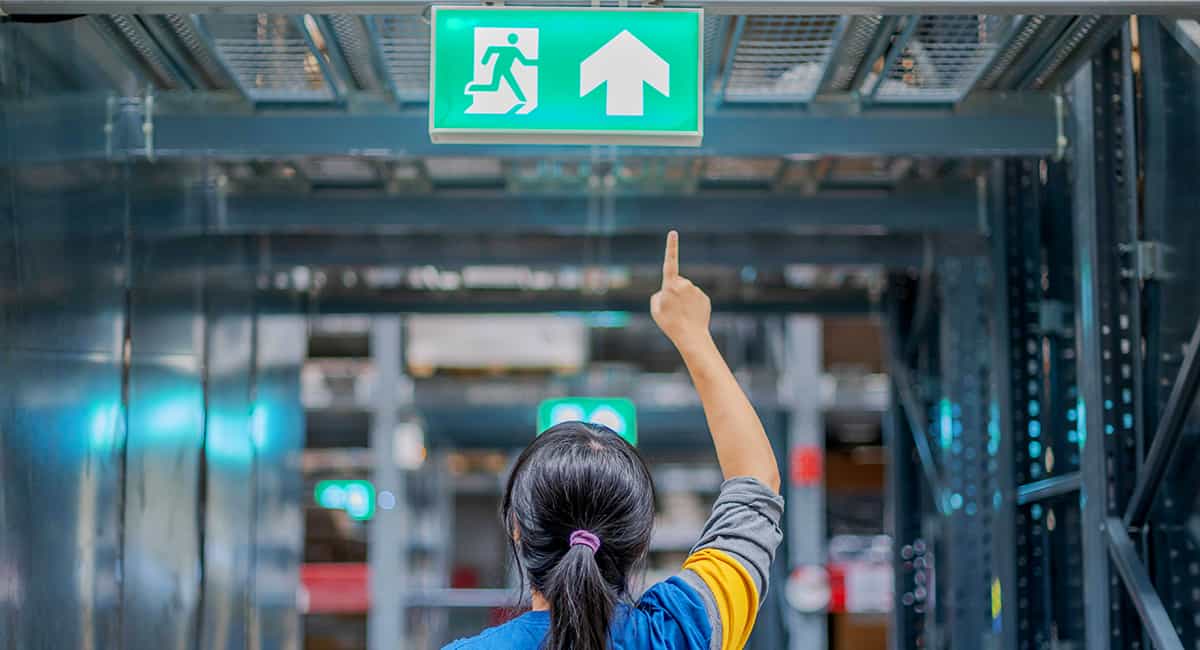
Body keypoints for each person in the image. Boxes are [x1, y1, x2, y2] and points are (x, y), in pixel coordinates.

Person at [443, 231, 784, 650]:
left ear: (517, 528)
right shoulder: (680, 631)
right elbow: (756, 485)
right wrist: (692, 334)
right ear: (639, 539)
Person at [467, 33, 536, 103]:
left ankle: (522, 99)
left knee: (495, 86)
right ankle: (522, 99)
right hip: (499, 68)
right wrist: (485, 60)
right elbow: (491, 49)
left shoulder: (515, 50)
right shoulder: (510, 49)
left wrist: (538, 62)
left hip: (505, 69)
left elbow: (525, 62)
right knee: (497, 86)